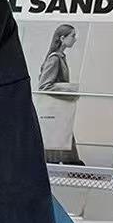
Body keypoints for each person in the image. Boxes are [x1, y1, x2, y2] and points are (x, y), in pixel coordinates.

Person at [37, 24, 82, 165]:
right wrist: (71, 91)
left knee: (61, 140)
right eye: (72, 36)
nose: (75, 39)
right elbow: (44, 86)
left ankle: (74, 168)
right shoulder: (55, 59)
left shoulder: (60, 57)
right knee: (62, 139)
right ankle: (75, 169)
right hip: (55, 110)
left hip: (58, 110)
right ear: (62, 38)